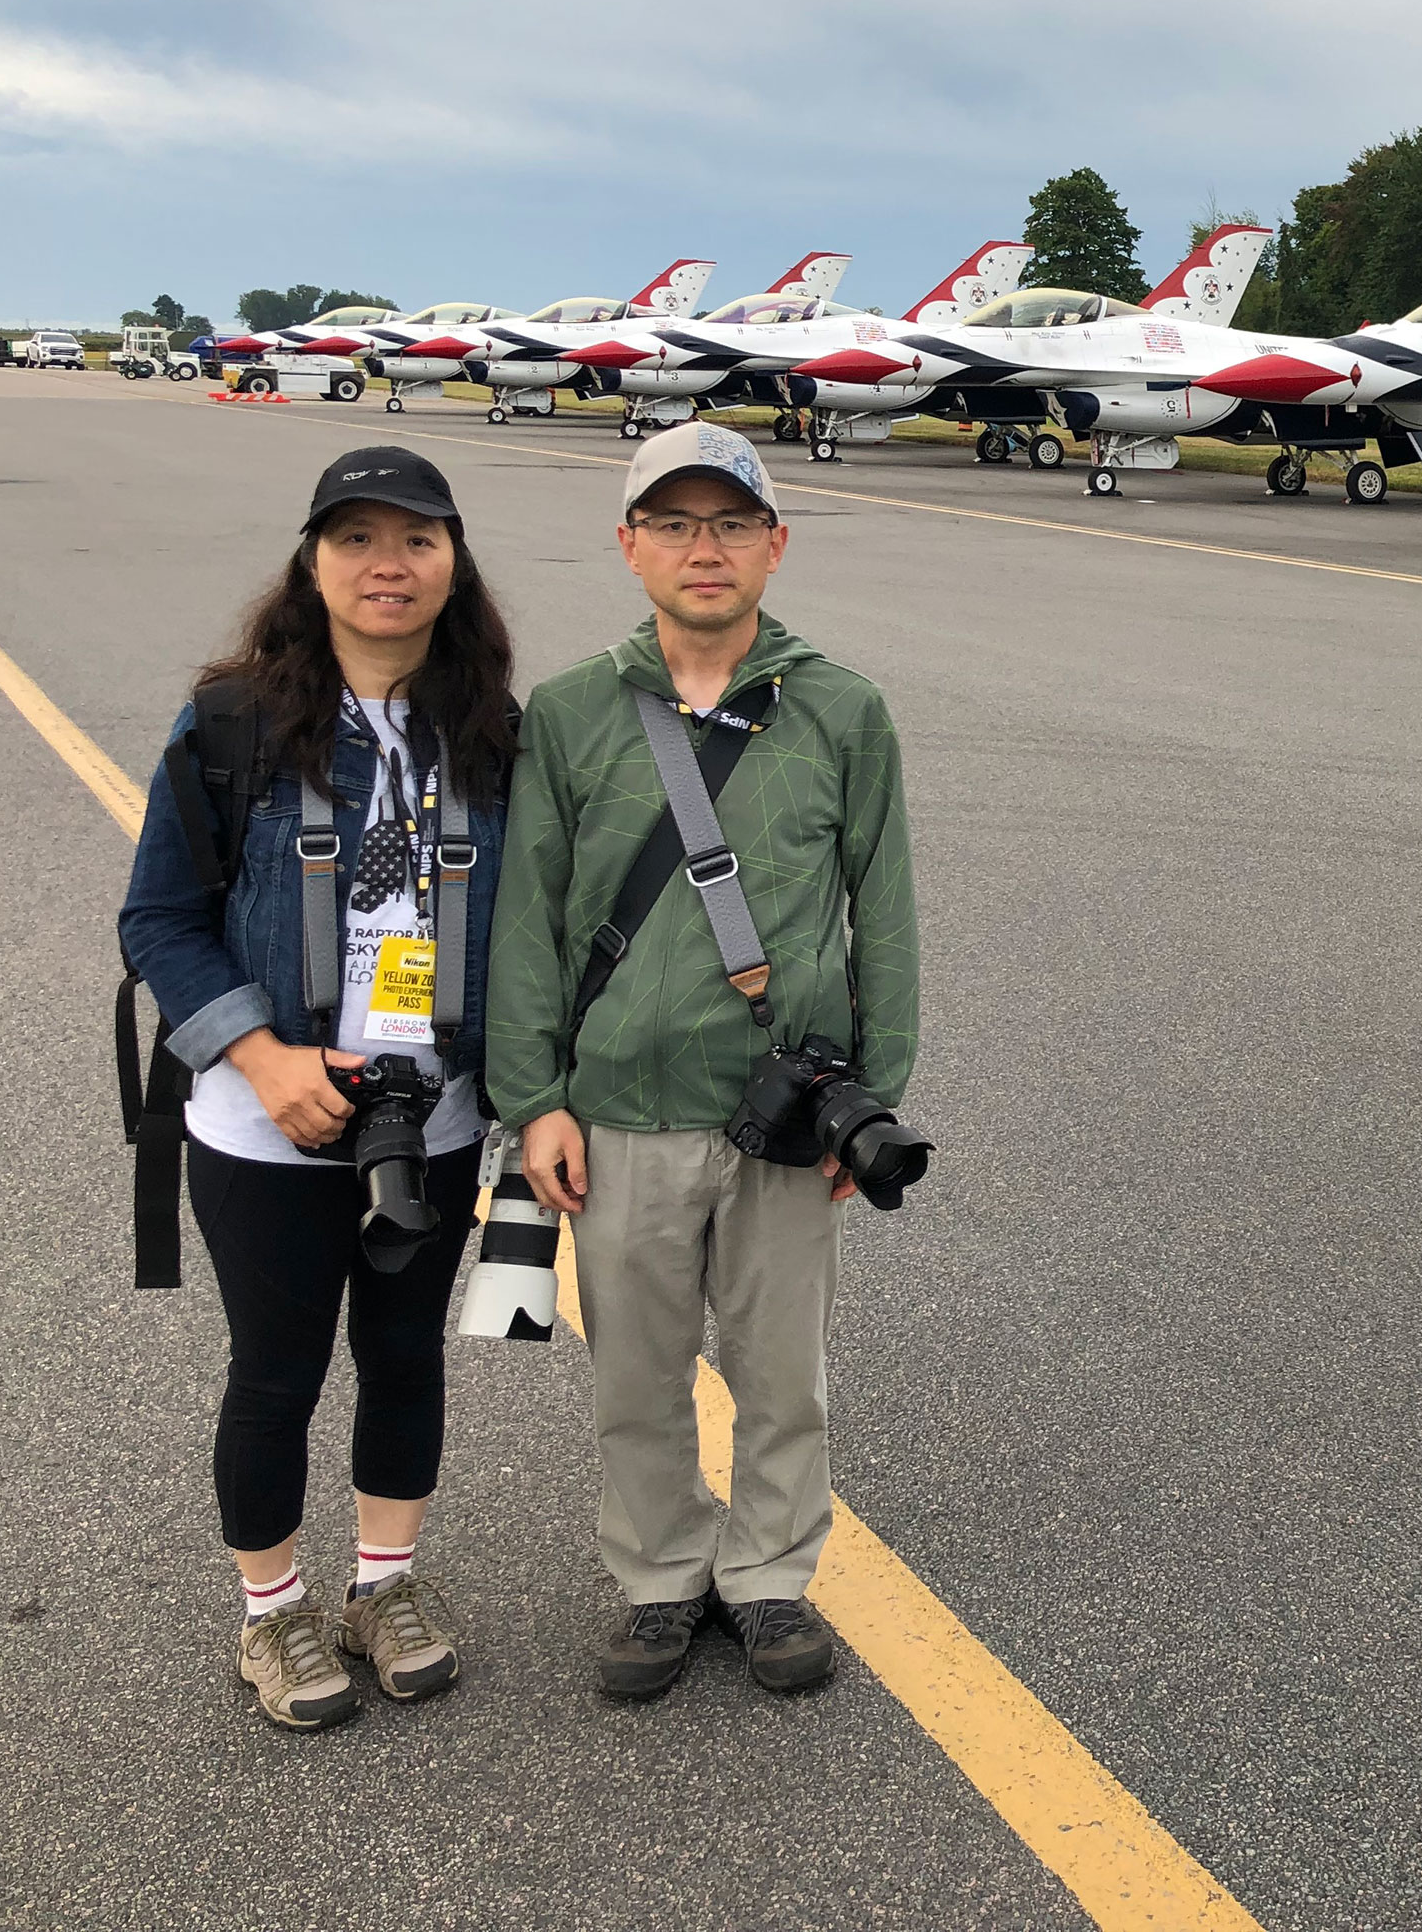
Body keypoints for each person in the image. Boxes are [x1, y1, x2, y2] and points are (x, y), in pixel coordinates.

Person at [486, 424, 916, 1700]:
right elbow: (527, 918)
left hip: (784, 1109)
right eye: (671, 523)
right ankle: (663, 1575)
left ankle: (772, 1575)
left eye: (730, 523)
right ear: (630, 548)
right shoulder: (570, 713)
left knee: (783, 1369)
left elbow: (882, 908)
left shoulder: (840, 709)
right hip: (618, 1106)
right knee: (637, 1369)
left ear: (775, 544)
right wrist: (535, 1101)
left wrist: (871, 1098)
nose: (703, 548)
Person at [118, 447, 520, 1730]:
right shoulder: (233, 721)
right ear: (312, 563)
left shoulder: (498, 733)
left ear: (455, 563)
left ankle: (385, 1587)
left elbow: (538, 926)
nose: (386, 565)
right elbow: (160, 922)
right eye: (356, 540)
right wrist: (260, 1054)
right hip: (266, 1116)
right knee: (276, 1372)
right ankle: (273, 1613)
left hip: (435, 1112)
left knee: (406, 1358)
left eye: (416, 539)